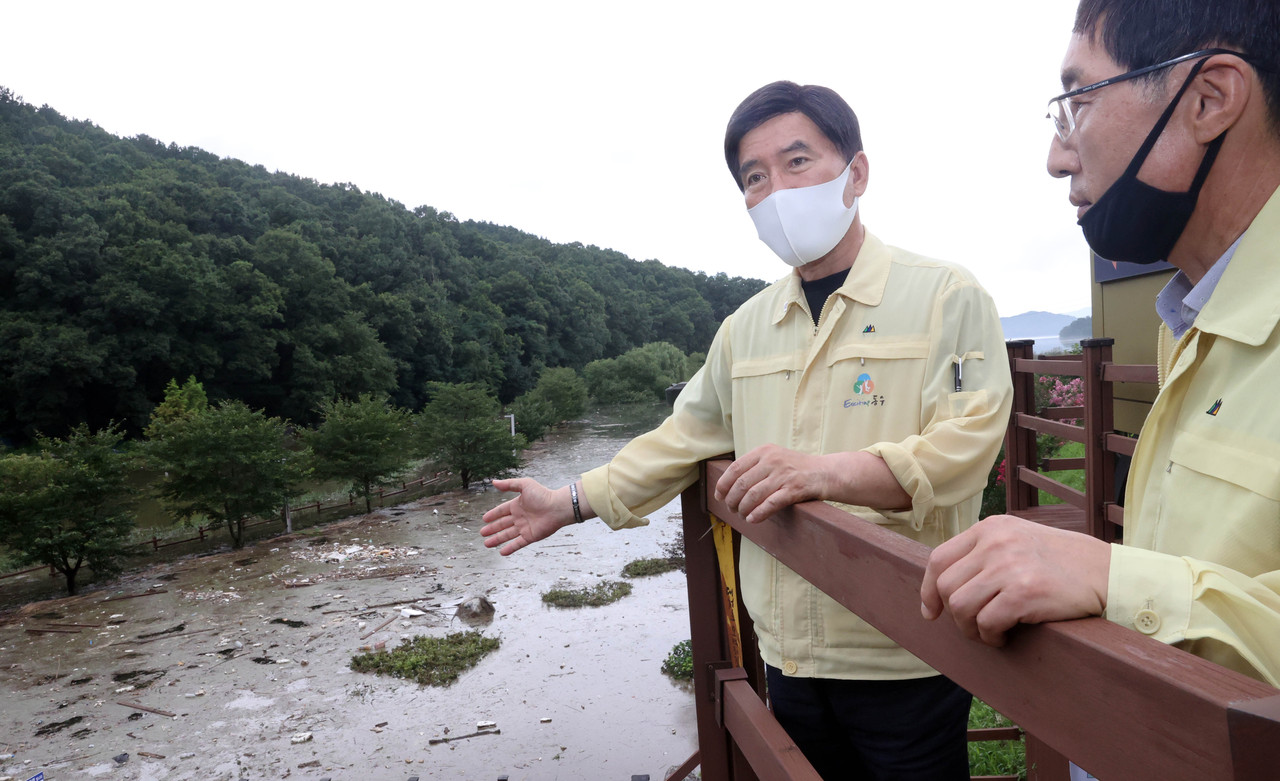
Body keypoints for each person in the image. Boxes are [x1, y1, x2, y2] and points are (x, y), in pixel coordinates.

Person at [481, 81, 1012, 779]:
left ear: (856, 173)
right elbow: (683, 438)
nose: (774, 191)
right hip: (786, 649)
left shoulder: (946, 295)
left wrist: (825, 473)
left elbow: (964, 448)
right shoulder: (747, 327)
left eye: (796, 162)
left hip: (905, 648)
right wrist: (568, 501)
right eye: (753, 178)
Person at [921, 0, 1280, 688]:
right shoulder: (1196, 315)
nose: (1057, 156)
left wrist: (1111, 578)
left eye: (1076, 101)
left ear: (1210, 99)